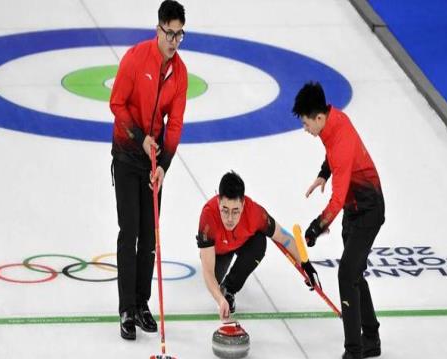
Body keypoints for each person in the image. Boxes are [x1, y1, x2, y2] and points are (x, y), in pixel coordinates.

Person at [292, 81, 385, 359]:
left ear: (319, 117)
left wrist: (316, 227)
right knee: (354, 273)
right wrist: (323, 173)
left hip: (367, 210)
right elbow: (331, 154)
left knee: (346, 275)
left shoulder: (340, 137)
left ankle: (354, 355)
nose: (305, 128)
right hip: (354, 211)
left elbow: (338, 198)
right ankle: (371, 338)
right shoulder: (331, 123)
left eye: (306, 123)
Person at [109, 0, 187, 340]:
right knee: (130, 232)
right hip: (128, 154)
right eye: (169, 33)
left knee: (150, 235)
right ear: (158, 29)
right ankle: (126, 307)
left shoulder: (180, 73)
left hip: (153, 161)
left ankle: (142, 303)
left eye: (179, 35)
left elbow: (175, 123)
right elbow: (116, 103)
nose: (173, 41)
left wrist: (164, 165)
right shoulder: (135, 58)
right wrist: (140, 138)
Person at [196, 171, 321, 321]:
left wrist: (306, 265)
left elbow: (285, 238)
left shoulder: (255, 213)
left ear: (243, 204)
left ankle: (229, 288)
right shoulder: (208, 215)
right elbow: (208, 272)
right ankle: (222, 287)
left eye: (235, 211)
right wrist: (219, 300)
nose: (229, 219)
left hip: (242, 242)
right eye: (225, 210)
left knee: (260, 242)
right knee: (214, 280)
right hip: (219, 250)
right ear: (218, 202)